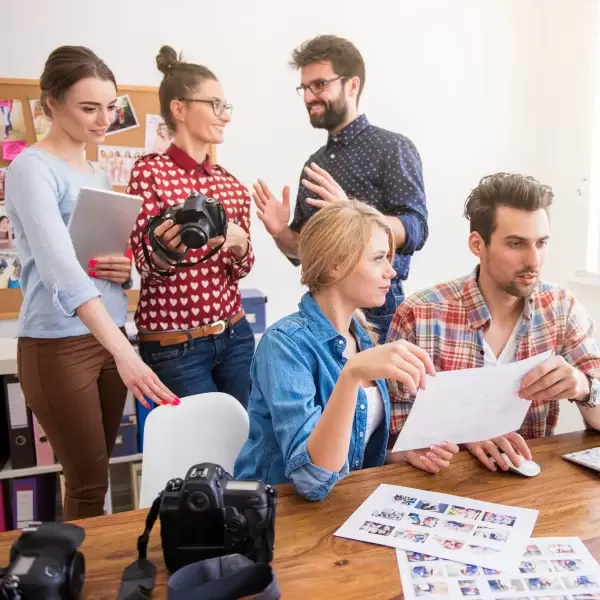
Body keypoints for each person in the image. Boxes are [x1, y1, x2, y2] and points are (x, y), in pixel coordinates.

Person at [4, 46, 178, 520]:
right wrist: (127, 354)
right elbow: (60, 269)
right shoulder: (30, 168)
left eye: (109, 106)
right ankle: (82, 585)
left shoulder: (97, 171)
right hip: (58, 343)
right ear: (49, 106)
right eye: (88, 108)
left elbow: (94, 259)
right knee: (86, 481)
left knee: (104, 467)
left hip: (107, 335)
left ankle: (96, 570)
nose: (104, 120)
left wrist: (123, 271)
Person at [234, 200, 457, 501]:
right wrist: (351, 375)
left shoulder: (363, 337)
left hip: (344, 506)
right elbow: (312, 481)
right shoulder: (283, 345)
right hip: (274, 516)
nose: (391, 272)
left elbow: (349, 455)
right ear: (334, 265)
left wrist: (396, 455)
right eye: (378, 258)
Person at [386, 173, 600, 472]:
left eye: (541, 243)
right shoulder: (421, 315)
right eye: (516, 244)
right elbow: (390, 437)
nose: (534, 260)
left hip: (535, 488)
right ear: (477, 244)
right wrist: (464, 438)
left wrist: (584, 387)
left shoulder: (561, 308)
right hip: (444, 488)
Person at [253, 35, 428, 343]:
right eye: (304, 88)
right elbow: (305, 253)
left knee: (376, 393)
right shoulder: (315, 163)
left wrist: (352, 214)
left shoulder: (392, 148)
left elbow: (416, 228)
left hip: (378, 307)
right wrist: (281, 232)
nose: (309, 96)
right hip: (323, 310)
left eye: (319, 85)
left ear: (352, 85)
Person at [128, 46, 255, 406]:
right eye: (214, 104)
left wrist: (241, 246)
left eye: (225, 106)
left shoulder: (231, 184)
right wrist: (169, 250)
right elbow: (146, 267)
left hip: (235, 335)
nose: (224, 116)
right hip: (174, 345)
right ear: (179, 108)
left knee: (246, 443)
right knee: (202, 454)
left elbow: (240, 270)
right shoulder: (148, 172)